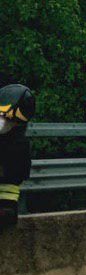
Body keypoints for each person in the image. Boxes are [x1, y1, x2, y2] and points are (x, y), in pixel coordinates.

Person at [0, 84, 33, 232]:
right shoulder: (21, 144)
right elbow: (24, 173)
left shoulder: (16, 145)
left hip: (5, 211)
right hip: (8, 211)